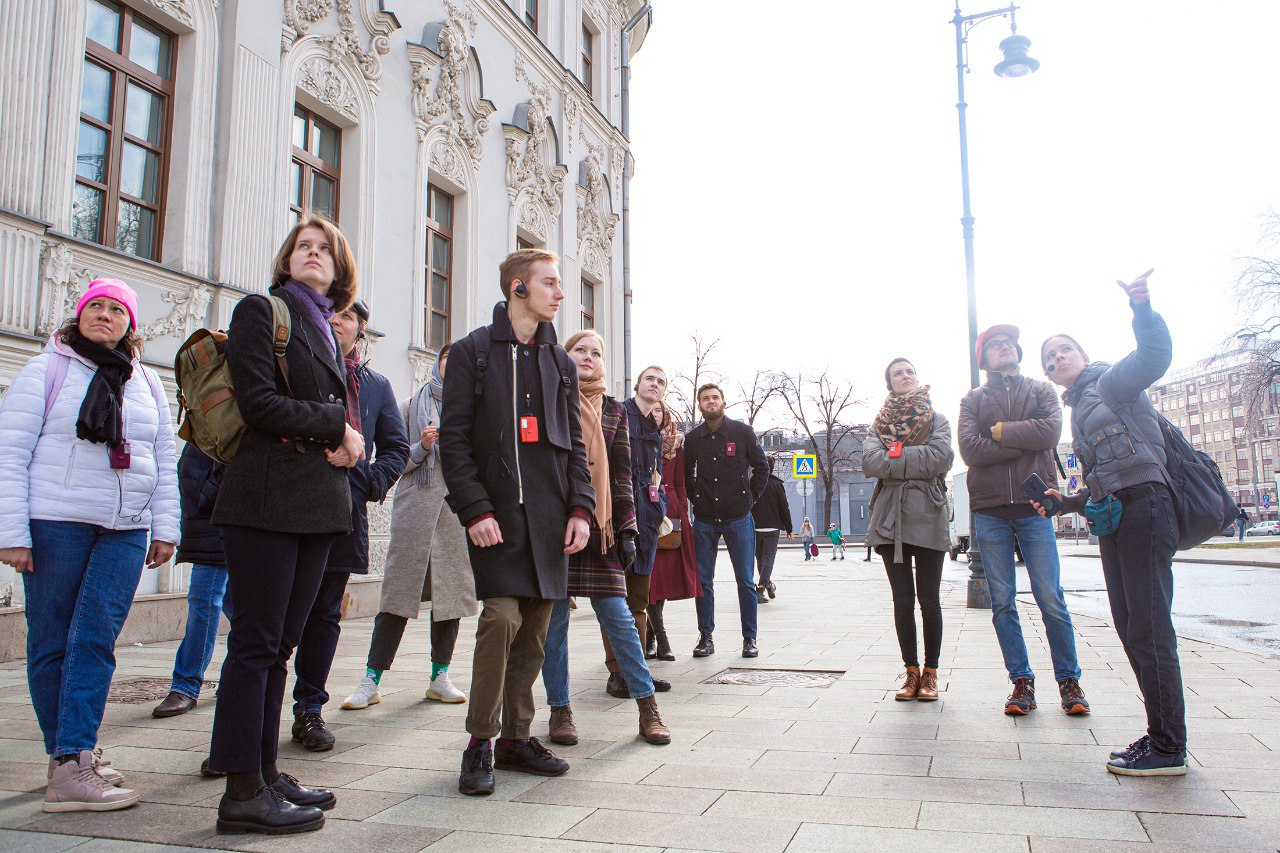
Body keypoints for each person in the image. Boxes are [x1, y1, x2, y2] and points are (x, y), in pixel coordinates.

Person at [207, 215, 367, 835]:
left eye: (325, 249)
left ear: (340, 267)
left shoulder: (326, 326)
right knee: (255, 645)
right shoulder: (262, 311)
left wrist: (345, 441)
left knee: (279, 648)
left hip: (314, 506)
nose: (313, 253)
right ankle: (241, 792)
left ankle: (266, 772)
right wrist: (337, 429)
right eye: (303, 246)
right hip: (266, 501)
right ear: (286, 258)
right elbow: (258, 404)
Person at [0, 278, 177, 813]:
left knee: (96, 637)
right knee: (51, 640)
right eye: (95, 306)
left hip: (125, 527)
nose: (105, 314)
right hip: (56, 522)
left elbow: (163, 457)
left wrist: (166, 527)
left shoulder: (146, 380)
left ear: (130, 323)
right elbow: (9, 452)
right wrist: (12, 534)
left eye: (116, 309)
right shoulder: (47, 369)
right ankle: (70, 762)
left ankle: (72, 757)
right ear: (79, 315)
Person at [440, 249, 593, 797]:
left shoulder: (560, 363)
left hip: (551, 520)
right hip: (497, 518)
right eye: (550, 283)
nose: (561, 294)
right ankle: (480, 741)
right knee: (501, 618)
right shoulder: (474, 352)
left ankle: (515, 739)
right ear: (517, 288)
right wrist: (474, 509)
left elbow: (575, 446)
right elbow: (454, 442)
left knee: (535, 629)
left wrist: (581, 509)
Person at [1037, 270, 1186, 777]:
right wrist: (1066, 502)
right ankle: (1160, 734)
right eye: (1050, 358)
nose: (1057, 359)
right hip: (1118, 514)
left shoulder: (1108, 382)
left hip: (1145, 506)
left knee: (1149, 627)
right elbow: (1106, 478)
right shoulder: (1080, 408)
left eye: (1064, 350)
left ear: (1082, 354)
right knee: (1130, 628)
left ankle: (1169, 745)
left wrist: (1141, 308)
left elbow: (1154, 356)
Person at [290, 300, 409, 751]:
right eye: (330, 314)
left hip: (342, 512)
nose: (335, 321)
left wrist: (367, 480)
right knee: (277, 615)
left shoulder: (375, 386)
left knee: (323, 615)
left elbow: (396, 448)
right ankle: (253, 713)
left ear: (360, 330)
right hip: (290, 506)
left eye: (346, 316)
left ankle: (309, 709)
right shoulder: (296, 367)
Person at [543, 331, 670, 747]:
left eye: (596, 352)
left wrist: (628, 529)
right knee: (554, 623)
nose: (588, 357)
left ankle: (647, 707)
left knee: (619, 617)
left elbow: (622, 473)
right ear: (565, 355)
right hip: (555, 526)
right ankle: (560, 710)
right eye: (580, 350)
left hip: (602, 528)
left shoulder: (615, 410)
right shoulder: (548, 398)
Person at [958, 323, 1089, 718]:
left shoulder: (1041, 390)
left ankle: (1069, 682)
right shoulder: (973, 399)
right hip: (991, 510)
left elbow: (1049, 433)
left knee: (1050, 598)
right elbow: (970, 450)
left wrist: (998, 432)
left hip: (1036, 508)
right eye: (996, 344)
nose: (1005, 347)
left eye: (1010, 343)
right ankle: (1021, 682)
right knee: (1002, 602)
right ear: (983, 359)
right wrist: (1023, 442)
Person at [342, 343, 479, 712]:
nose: (454, 366)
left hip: (454, 513)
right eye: (448, 359)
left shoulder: (474, 410)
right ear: (437, 364)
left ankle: (440, 676)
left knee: (450, 598)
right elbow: (393, 461)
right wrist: (421, 446)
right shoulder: (409, 406)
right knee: (397, 595)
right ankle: (371, 679)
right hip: (415, 510)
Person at [863, 357, 954, 702]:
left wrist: (895, 457)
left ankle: (931, 672)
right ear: (890, 383)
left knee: (929, 599)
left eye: (909, 371)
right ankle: (911, 671)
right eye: (897, 373)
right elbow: (870, 462)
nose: (905, 375)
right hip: (890, 518)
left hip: (928, 512)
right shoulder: (878, 424)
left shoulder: (937, 419)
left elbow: (941, 457)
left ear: (917, 378)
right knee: (902, 599)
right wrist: (917, 457)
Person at [684, 383, 769, 658]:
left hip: (738, 517)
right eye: (705, 398)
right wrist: (697, 499)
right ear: (700, 405)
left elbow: (762, 467)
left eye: (715, 397)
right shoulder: (693, 439)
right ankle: (705, 637)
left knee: (745, 580)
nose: (710, 401)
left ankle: (750, 639)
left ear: (723, 402)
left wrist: (750, 498)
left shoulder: (742, 432)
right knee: (703, 581)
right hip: (705, 520)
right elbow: (686, 475)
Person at [602, 365, 670, 697]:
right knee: (614, 598)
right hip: (617, 515)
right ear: (638, 385)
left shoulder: (653, 429)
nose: (654, 384)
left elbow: (655, 476)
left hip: (647, 520)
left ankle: (637, 671)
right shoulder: (617, 413)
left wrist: (660, 507)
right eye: (649, 379)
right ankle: (617, 673)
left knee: (639, 600)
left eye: (661, 382)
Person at [153, 445, 229, 720]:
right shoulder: (205, 429)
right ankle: (185, 685)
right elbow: (190, 474)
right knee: (204, 602)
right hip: (211, 527)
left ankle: (233, 677)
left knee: (244, 612)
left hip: (244, 525)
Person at [646, 399, 699, 661]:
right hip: (643, 510)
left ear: (665, 415)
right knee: (649, 578)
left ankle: (650, 637)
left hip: (672, 513)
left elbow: (680, 483)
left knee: (663, 579)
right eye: (651, 410)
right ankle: (661, 638)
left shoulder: (676, 445)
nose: (655, 414)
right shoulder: (634, 437)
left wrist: (682, 513)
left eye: (659, 410)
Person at [751, 458, 793, 603]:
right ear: (773, 468)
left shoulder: (752, 483)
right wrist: (789, 528)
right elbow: (784, 507)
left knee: (760, 559)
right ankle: (761, 587)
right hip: (772, 528)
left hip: (755, 527)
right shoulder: (777, 485)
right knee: (768, 559)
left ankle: (767, 584)